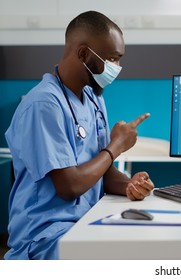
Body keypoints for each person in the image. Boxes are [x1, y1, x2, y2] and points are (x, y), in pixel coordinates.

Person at [4, 11, 154, 260]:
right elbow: (70, 186)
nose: (116, 68)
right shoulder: (43, 105)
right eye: (111, 59)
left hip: (84, 224)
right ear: (84, 53)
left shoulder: (93, 99)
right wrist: (116, 145)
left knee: (145, 246)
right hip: (44, 240)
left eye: (119, 60)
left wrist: (129, 184)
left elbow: (102, 173)